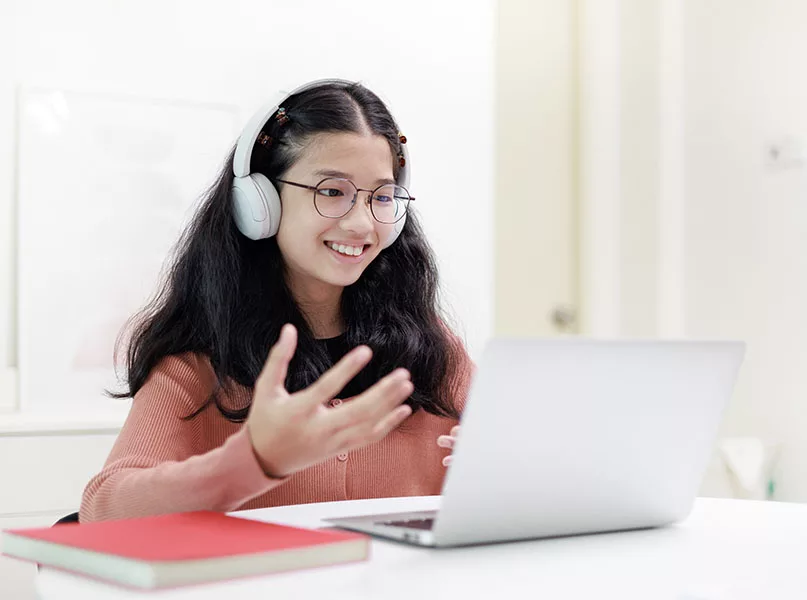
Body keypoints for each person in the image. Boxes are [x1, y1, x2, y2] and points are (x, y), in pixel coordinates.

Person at [79, 79, 472, 522]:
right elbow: (103, 512)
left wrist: (502, 470)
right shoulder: (199, 360)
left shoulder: (432, 348)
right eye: (332, 192)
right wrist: (255, 460)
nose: (363, 224)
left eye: (380, 197)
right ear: (259, 202)